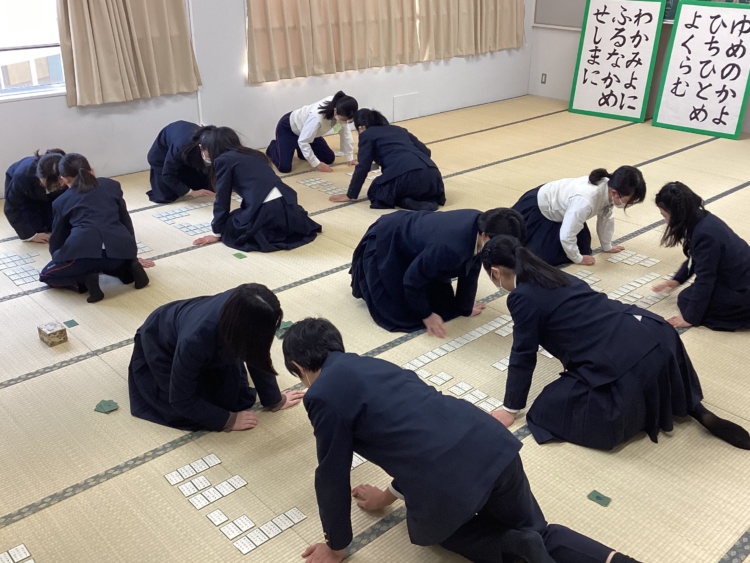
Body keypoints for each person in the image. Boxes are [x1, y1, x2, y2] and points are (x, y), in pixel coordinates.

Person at [282, 317, 642, 563]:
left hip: (445, 479)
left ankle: (513, 544)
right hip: (493, 446)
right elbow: (421, 436)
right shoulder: (376, 364)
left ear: (298, 367)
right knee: (539, 531)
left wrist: (337, 545)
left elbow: (331, 475)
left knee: (433, 534)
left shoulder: (322, 395)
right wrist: (386, 496)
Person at [480, 235, 750, 451]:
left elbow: (523, 353)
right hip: (656, 334)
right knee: (636, 364)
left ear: (495, 272)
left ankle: (641, 409)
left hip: (622, 358)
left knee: (546, 410)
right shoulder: (556, 273)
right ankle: (694, 408)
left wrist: (510, 408)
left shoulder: (521, 297)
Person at [128, 283, 305, 431]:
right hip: (162, 341)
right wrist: (227, 420)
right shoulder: (195, 339)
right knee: (181, 407)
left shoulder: (245, 302)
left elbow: (256, 350)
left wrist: (274, 400)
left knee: (231, 394)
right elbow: (180, 399)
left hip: (206, 336)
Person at [350, 207, 526, 336]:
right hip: (389, 240)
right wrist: (426, 315)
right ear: (485, 235)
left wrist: (464, 307)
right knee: (401, 313)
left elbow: (471, 268)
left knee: (445, 306)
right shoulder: (450, 247)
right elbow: (412, 280)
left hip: (422, 244)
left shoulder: (481, 225)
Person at [39, 153, 154, 303]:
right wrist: (131, 254)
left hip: (84, 255)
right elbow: (125, 220)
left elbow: (58, 237)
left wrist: (59, 258)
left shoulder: (61, 201)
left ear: (64, 179)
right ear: (91, 170)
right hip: (119, 251)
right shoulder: (111, 185)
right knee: (107, 262)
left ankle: (85, 279)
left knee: (47, 276)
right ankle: (129, 269)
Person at [191, 126, 322, 252]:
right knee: (240, 214)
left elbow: (222, 199)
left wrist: (218, 232)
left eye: (203, 148)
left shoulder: (223, 160)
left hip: (266, 209)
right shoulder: (253, 153)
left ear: (212, 147)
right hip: (287, 204)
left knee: (230, 225)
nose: (202, 152)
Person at [653, 181, 750, 331]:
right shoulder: (700, 218)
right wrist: (677, 280)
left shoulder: (704, 234)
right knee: (690, 296)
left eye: (665, 216)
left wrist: (690, 318)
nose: (665, 221)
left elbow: (705, 279)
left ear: (678, 214)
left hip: (741, 288)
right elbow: (696, 257)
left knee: (687, 300)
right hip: (739, 278)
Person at [511, 166, 646, 266]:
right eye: (629, 201)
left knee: (584, 248)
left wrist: (607, 246)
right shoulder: (585, 201)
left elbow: (605, 218)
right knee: (543, 258)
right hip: (540, 209)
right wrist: (578, 259)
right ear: (614, 192)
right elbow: (566, 234)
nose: (629, 204)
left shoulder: (609, 188)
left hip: (565, 211)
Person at [328, 108, 446, 211]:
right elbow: (426, 152)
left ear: (361, 127)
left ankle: (408, 202)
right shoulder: (399, 129)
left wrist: (350, 194)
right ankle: (425, 200)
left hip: (404, 176)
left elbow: (362, 167)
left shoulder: (367, 134)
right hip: (433, 175)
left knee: (376, 191)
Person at [265, 91, 358, 173]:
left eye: (348, 120)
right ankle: (273, 147)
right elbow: (303, 141)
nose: (345, 123)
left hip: (311, 133)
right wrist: (316, 164)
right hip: (289, 129)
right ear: (335, 111)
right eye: (343, 119)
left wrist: (349, 157)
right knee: (284, 167)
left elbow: (345, 132)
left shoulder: (341, 107)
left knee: (329, 159)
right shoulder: (317, 117)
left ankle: (302, 152)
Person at [4, 149, 67, 243]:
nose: (53, 187)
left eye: (58, 184)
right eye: (46, 183)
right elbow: (12, 207)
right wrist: (31, 236)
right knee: (37, 229)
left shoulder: (68, 171)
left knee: (55, 227)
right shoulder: (22, 176)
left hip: (50, 197)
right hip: (27, 194)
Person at [146, 120, 214, 203]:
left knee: (203, 187)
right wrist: (191, 192)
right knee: (166, 196)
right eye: (209, 153)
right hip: (161, 158)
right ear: (201, 147)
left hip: (188, 150)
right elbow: (168, 174)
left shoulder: (217, 142)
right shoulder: (181, 146)